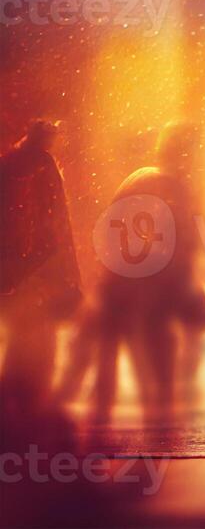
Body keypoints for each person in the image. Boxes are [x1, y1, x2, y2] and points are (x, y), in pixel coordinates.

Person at [92, 122, 205, 425]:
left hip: (119, 279)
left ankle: (100, 422)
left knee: (112, 349)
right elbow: (182, 242)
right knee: (159, 347)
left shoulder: (136, 179)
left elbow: (109, 229)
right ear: (184, 155)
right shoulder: (174, 188)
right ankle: (160, 423)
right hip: (150, 284)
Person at [0, 120, 81, 421]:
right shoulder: (41, 166)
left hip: (19, 269)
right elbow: (56, 223)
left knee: (25, 336)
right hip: (36, 269)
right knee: (35, 338)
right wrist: (65, 272)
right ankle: (27, 410)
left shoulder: (9, 162)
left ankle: (19, 410)